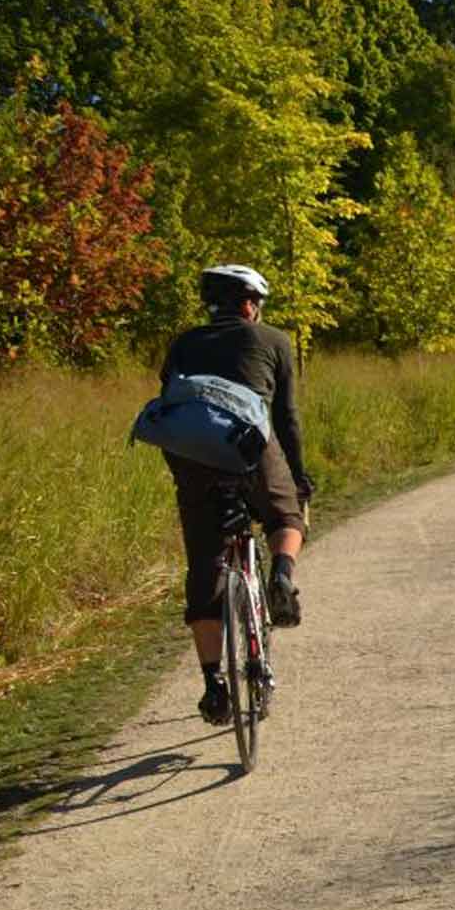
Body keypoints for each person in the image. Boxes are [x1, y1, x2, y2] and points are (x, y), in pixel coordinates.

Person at [159, 264, 314, 725]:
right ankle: (282, 578)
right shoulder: (273, 340)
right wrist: (299, 476)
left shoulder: (184, 342)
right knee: (286, 515)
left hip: (191, 456)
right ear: (250, 304)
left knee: (205, 563)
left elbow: (170, 403)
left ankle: (213, 684)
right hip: (250, 445)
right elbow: (285, 417)